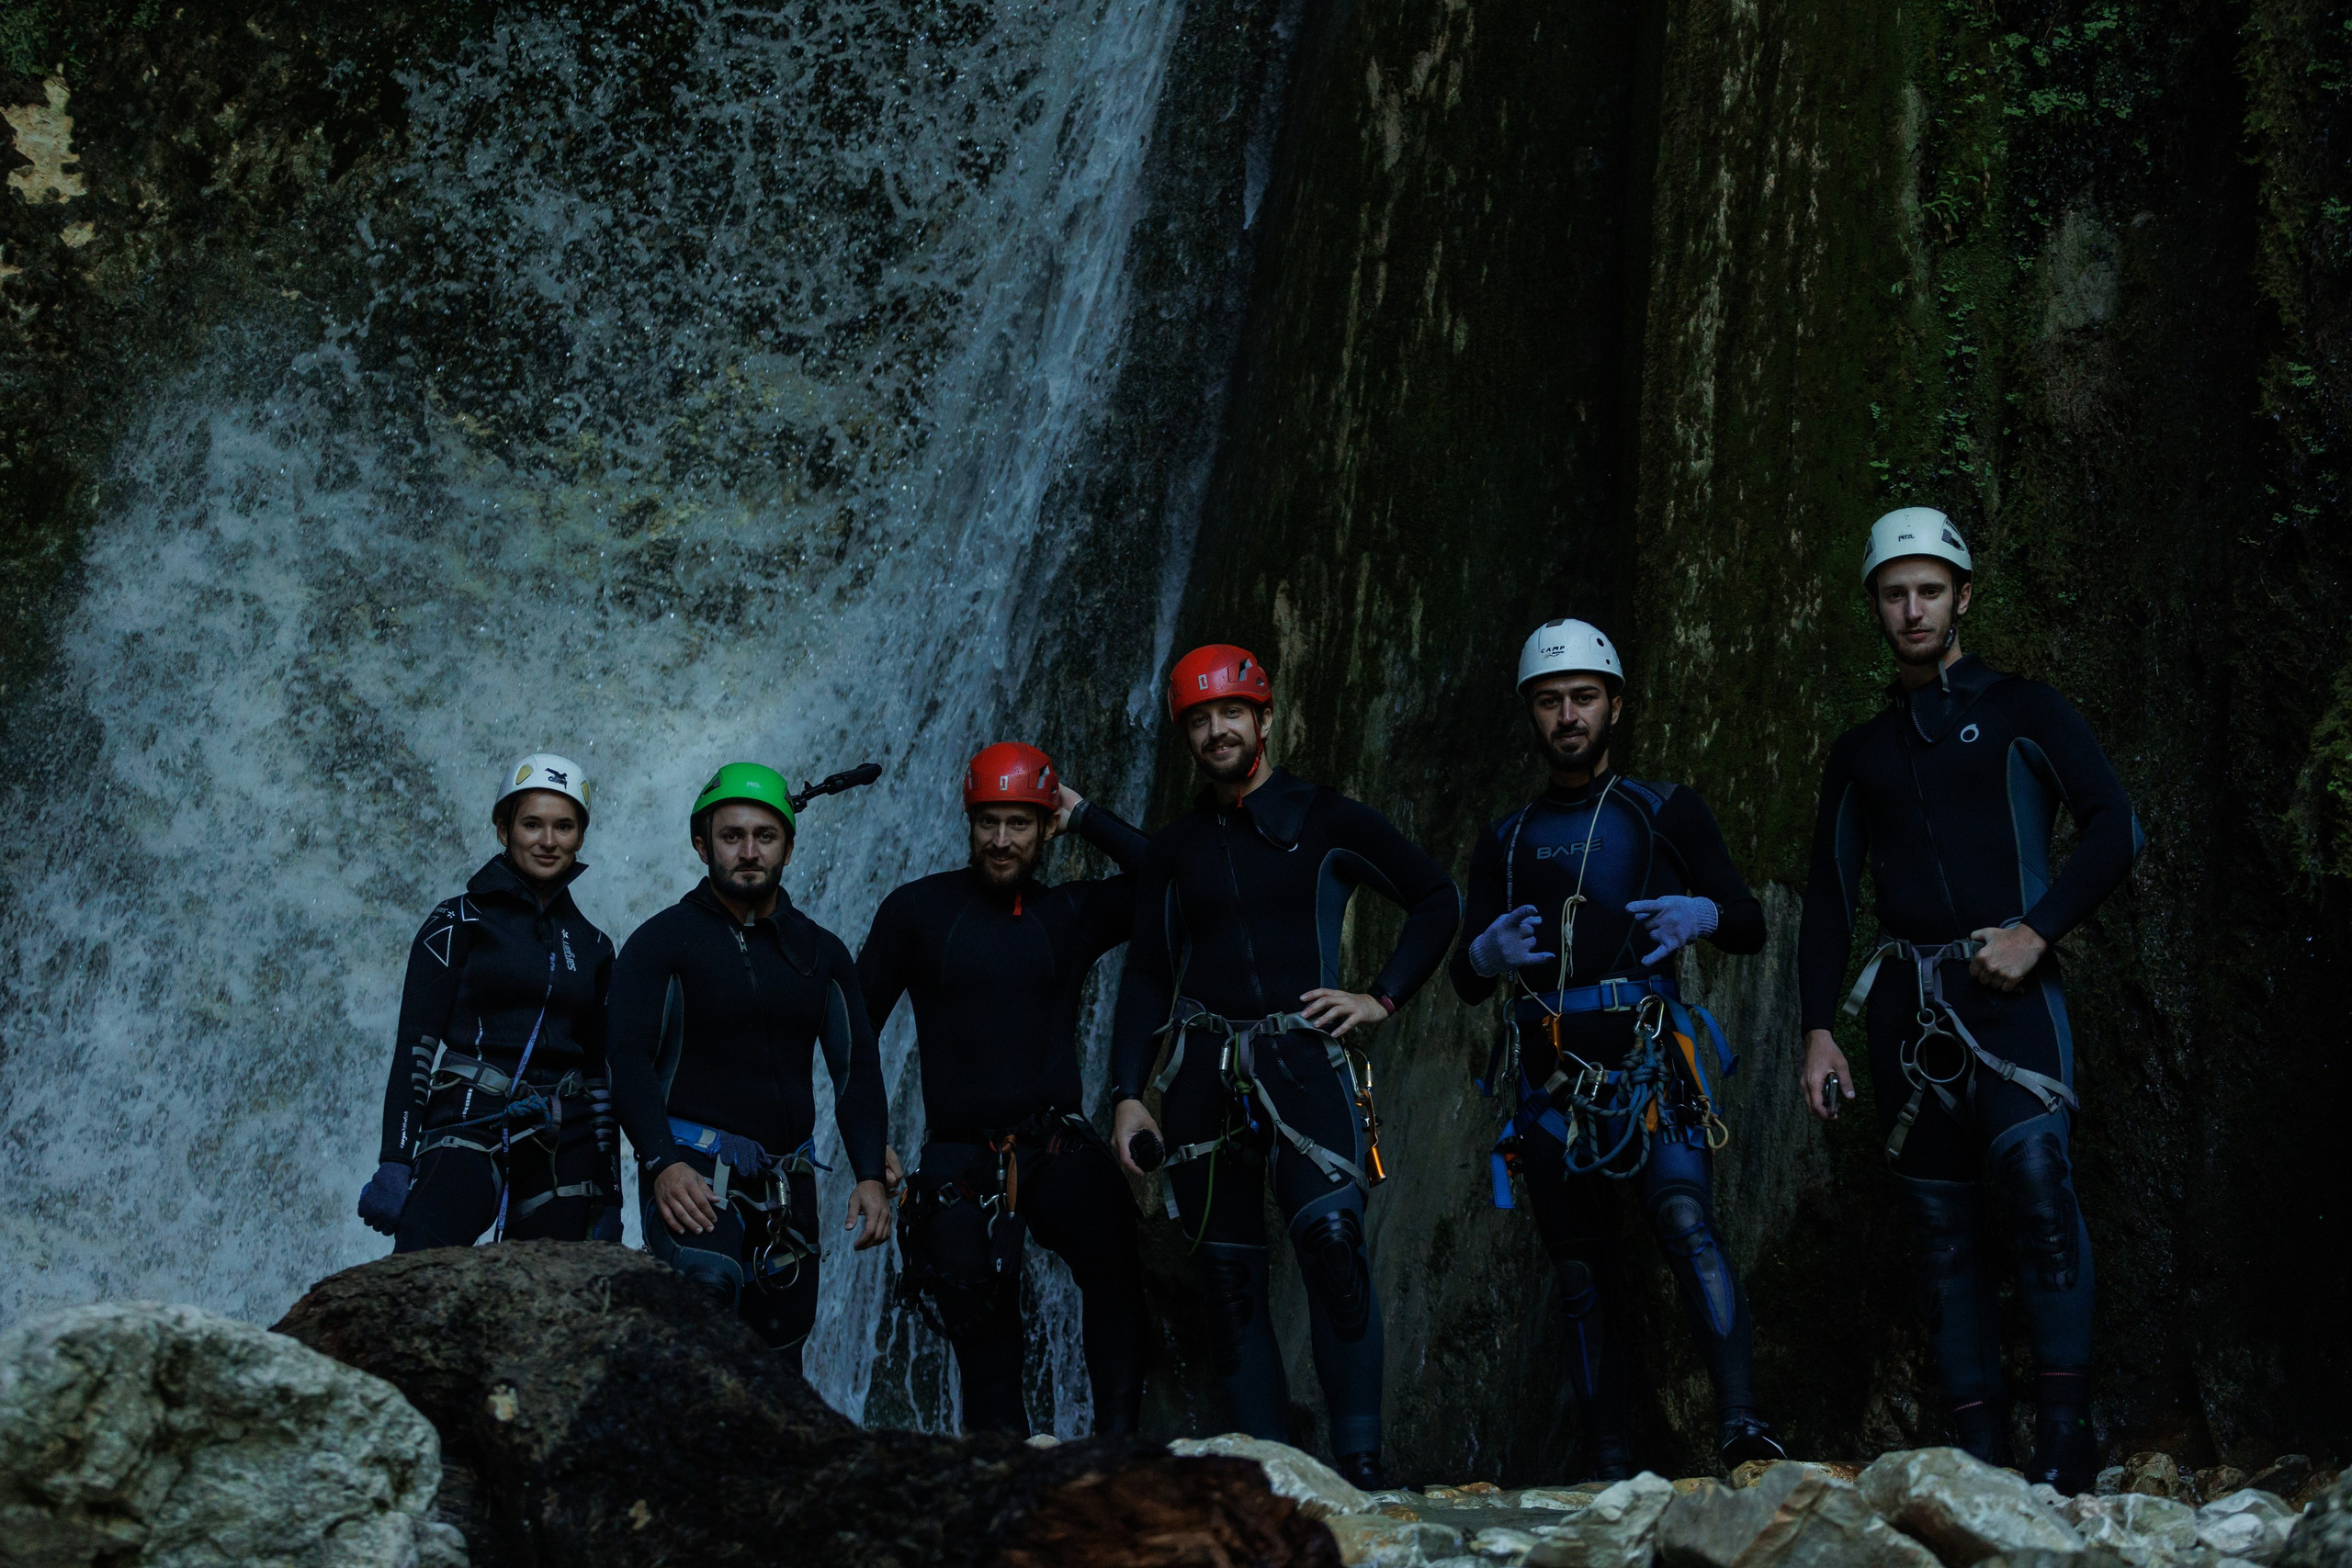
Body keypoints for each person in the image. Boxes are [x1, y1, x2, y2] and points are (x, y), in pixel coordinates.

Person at [1799, 508, 2141, 1494]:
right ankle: (1978, 1458)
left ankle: (2066, 1444)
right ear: (1874, 604)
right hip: (1907, 1012)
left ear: (1962, 597)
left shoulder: (2025, 710)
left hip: (2012, 997)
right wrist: (1818, 1031)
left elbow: (2116, 826)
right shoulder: (1861, 754)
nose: (1912, 609)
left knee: (2037, 1187)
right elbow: (1827, 895)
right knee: (1938, 1233)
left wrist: (2037, 932)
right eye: (1893, 593)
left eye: (1929, 590)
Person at [1108, 645, 1459, 1489]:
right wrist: (1126, 1094)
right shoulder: (1174, 850)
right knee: (1228, 1285)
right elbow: (1149, 973)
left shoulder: (1327, 818)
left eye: (1231, 712)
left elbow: (1436, 897)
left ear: (1264, 719)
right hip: (1201, 1075)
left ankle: (1364, 1474)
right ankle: (1271, 1482)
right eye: (1198, 719)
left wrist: (1380, 997)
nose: (1216, 729)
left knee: (1335, 1247)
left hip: (1304, 1060)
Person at [1450, 619, 1786, 1480]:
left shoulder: (1663, 809)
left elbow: (1747, 919)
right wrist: (1484, 954)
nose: (1568, 715)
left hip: (1650, 1060)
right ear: (1532, 713)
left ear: (1615, 705)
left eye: (1584, 698)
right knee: (1577, 1269)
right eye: (1551, 700)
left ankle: (1743, 1428)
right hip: (1549, 1072)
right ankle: (1605, 1463)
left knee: (1685, 1221)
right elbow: (1462, 976)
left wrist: (1705, 913)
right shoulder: (1507, 837)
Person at [858, 743, 1152, 1436]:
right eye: (987, 820)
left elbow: (1171, 878)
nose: (1000, 839)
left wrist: (1085, 815)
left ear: (1045, 828)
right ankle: (1008, 1481)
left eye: (1019, 822)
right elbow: (851, 1034)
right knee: (980, 1319)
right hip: (956, 1158)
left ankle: (1114, 1453)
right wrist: (871, 1153)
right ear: (968, 821)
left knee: (1114, 1265)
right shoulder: (916, 912)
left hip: (1053, 1141)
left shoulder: (1073, 913)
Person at [605, 762, 893, 1371]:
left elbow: (856, 1071)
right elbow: (627, 1060)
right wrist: (661, 1162)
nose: (748, 851)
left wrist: (869, 1171)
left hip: (788, 1187)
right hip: (693, 1171)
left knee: (781, 1358)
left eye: (765, 835)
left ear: (788, 845)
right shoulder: (661, 943)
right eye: (731, 835)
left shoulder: (821, 953)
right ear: (701, 842)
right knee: (706, 1291)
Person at [359, 753, 622, 1252]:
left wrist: (611, 1198)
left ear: (580, 837)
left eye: (564, 827)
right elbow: (416, 1047)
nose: (548, 841)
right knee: (422, 1269)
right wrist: (395, 1160)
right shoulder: (456, 922)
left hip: (563, 1144)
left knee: (550, 1309)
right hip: (469, 1123)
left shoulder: (594, 947)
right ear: (504, 830)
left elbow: (598, 1079)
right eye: (532, 824)